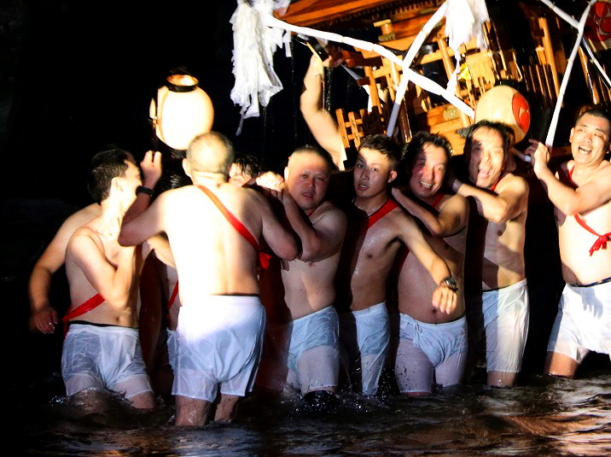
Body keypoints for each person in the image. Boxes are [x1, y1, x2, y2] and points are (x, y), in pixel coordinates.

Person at [119, 132, 302, 426]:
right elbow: (289, 250)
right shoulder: (252, 200)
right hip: (248, 313)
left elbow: (126, 235)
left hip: (203, 313)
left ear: (187, 168)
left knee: (190, 419)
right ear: (230, 168)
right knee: (227, 415)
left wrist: (147, 184)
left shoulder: (173, 201)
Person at [337, 134, 458, 395]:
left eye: (375, 170)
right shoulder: (339, 210)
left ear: (391, 176)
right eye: (360, 166)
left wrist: (447, 285)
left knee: (365, 400)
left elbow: (433, 260)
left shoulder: (398, 220)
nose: (363, 176)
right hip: (334, 317)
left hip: (370, 319)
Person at [528, 108, 611, 378]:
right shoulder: (559, 172)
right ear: (570, 135)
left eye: (598, 134)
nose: (587, 139)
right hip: (574, 298)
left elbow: (572, 203)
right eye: (582, 130)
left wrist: (542, 170)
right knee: (556, 381)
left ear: (609, 145)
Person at [62, 149, 170, 410]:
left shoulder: (143, 234)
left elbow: (187, 265)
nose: (142, 181)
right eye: (137, 176)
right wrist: (128, 245)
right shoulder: (84, 239)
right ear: (119, 185)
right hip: (88, 341)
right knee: (94, 421)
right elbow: (119, 298)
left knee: (145, 420)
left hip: (126, 342)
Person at [29, 150, 162, 334]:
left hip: (134, 334)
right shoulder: (82, 222)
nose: (139, 180)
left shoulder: (146, 220)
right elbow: (44, 267)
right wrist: (41, 305)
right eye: (135, 172)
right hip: (94, 330)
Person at [260, 146, 348, 399]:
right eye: (303, 176)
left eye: (320, 179)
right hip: (275, 330)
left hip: (314, 324)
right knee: (276, 415)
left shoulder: (332, 216)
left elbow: (308, 249)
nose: (311, 185)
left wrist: (286, 198)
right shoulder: (269, 210)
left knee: (320, 406)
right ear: (286, 174)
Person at [450, 121, 530, 387]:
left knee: (501, 390)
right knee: (459, 386)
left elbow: (499, 211)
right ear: (466, 154)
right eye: (477, 150)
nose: (485, 159)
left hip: (505, 297)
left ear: (506, 157)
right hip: (464, 299)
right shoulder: (452, 187)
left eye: (495, 151)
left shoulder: (515, 185)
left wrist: (455, 186)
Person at [391, 133, 471, 395]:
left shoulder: (455, 203)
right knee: (418, 413)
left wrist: (399, 196)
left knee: (452, 409)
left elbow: (437, 227)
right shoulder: (390, 211)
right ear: (407, 166)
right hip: (412, 331)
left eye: (440, 168)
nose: (430, 175)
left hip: (453, 328)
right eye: (422, 164)